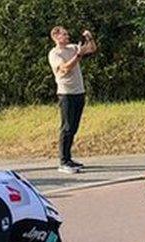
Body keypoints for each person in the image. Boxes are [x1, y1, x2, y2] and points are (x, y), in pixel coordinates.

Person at [48, 25, 96, 173]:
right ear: (56, 37)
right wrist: (78, 56)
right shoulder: (55, 54)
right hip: (66, 93)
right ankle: (63, 161)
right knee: (67, 127)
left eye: (67, 34)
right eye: (64, 35)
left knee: (74, 127)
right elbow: (64, 69)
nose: (67, 36)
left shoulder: (72, 48)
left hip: (79, 92)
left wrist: (89, 37)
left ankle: (69, 158)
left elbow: (92, 48)